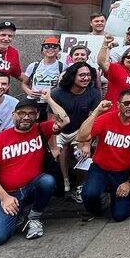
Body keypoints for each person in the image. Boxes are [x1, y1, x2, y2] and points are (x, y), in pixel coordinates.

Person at [0, 96, 70, 245]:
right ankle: (17, 215)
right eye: (22, 113)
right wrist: (4, 198)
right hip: (9, 194)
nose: (26, 117)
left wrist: (49, 99)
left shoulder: (41, 129)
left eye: (31, 114)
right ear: (13, 115)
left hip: (33, 188)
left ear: (36, 116)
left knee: (47, 181)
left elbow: (65, 120)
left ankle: (33, 217)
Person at [76, 91, 130, 222]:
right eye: (126, 103)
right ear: (118, 105)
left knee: (119, 215)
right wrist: (96, 112)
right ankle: (95, 209)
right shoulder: (106, 118)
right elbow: (81, 136)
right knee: (89, 194)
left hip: (125, 172)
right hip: (101, 168)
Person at [50, 62, 102, 202]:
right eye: (82, 75)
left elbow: (92, 122)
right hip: (59, 130)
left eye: (88, 75)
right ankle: (64, 181)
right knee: (54, 153)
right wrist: (54, 147)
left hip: (81, 130)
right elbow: (51, 122)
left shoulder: (94, 94)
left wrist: (86, 143)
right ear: (73, 76)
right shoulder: (57, 93)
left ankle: (80, 186)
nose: (86, 78)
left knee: (82, 153)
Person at [21, 37, 65, 121]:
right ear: (42, 50)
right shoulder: (33, 66)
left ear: (59, 50)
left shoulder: (62, 66)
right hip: (34, 102)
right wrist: (29, 91)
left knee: (49, 128)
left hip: (52, 103)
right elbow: (24, 83)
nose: (50, 49)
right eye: (47, 46)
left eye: (54, 46)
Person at [98, 35, 130, 104]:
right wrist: (105, 44)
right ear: (123, 59)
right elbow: (102, 62)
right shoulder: (117, 68)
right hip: (113, 109)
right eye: (129, 57)